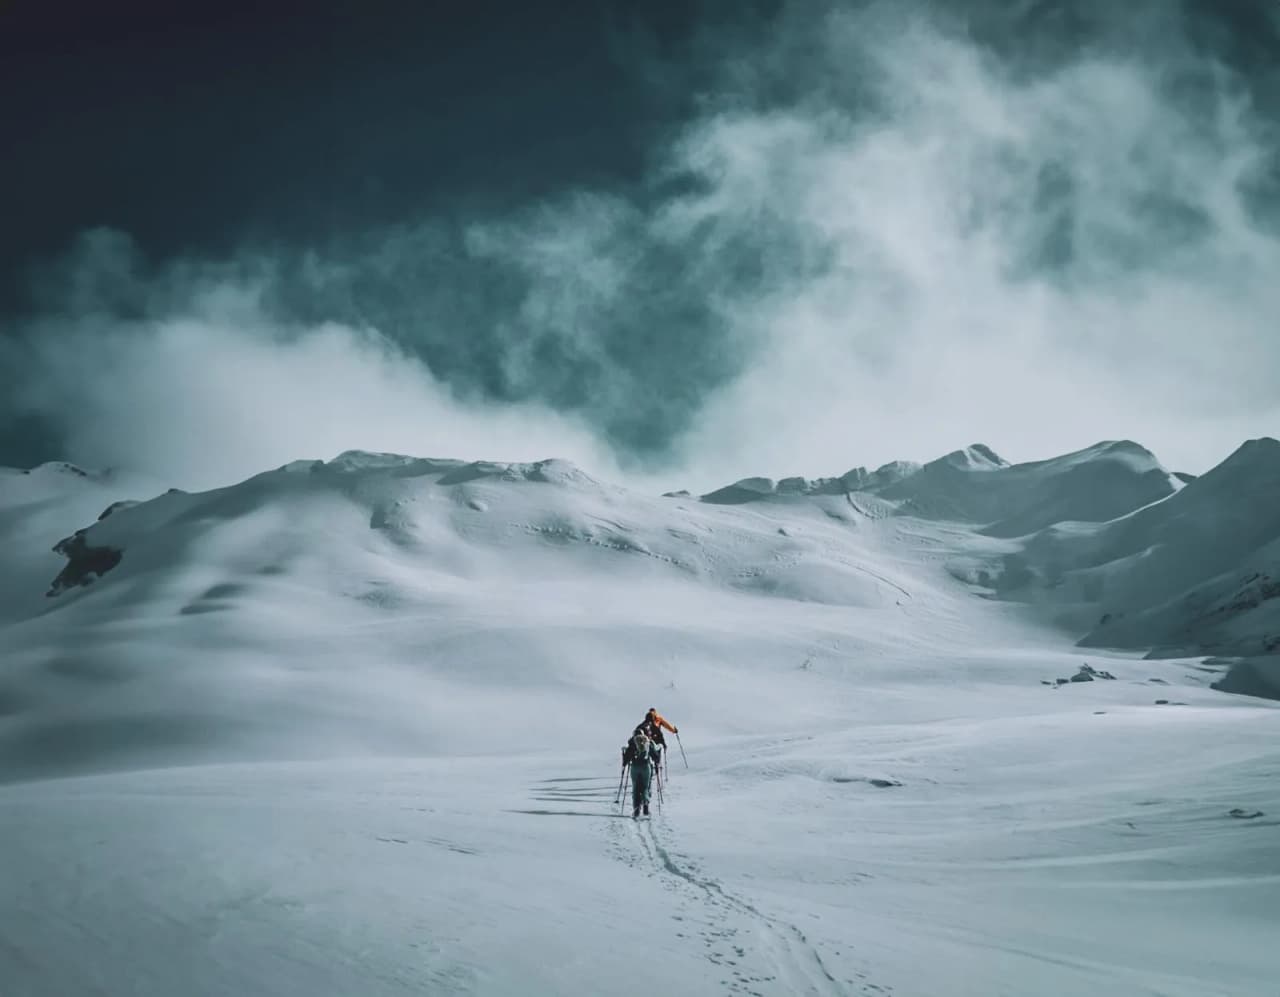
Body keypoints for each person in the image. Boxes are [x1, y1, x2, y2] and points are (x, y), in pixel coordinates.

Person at [621, 728, 662, 818]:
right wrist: (657, 760)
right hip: (646, 767)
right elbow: (655, 756)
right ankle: (645, 805)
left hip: (635, 767)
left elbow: (627, 758)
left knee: (635, 787)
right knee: (645, 787)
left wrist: (624, 761)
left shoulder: (632, 743)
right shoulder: (648, 742)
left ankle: (636, 808)